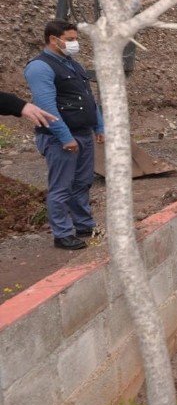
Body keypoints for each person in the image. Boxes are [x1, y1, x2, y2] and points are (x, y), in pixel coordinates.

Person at [25, 20, 105, 251]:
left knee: (82, 183)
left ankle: (84, 225)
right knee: (61, 187)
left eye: (76, 39)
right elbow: (46, 107)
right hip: (59, 139)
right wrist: (64, 137)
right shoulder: (40, 67)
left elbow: (89, 98)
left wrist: (99, 126)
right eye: (70, 40)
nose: (75, 43)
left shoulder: (73, 65)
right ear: (53, 39)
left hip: (83, 134)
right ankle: (62, 234)